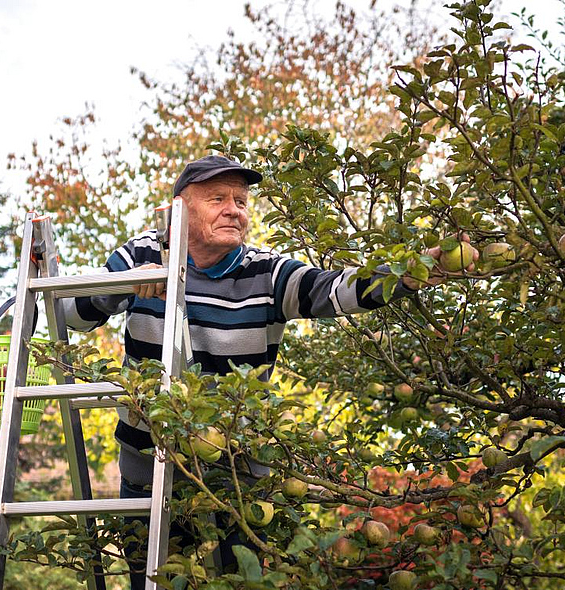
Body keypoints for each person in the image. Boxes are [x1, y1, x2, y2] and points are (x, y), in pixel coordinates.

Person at [61, 155, 471, 589]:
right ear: (180, 207)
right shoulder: (142, 254)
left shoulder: (267, 272)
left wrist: (411, 272)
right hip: (149, 461)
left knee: (245, 578)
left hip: (237, 469)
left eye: (240, 199)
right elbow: (72, 314)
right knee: (153, 578)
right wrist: (120, 286)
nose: (234, 209)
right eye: (218, 198)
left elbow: (333, 289)